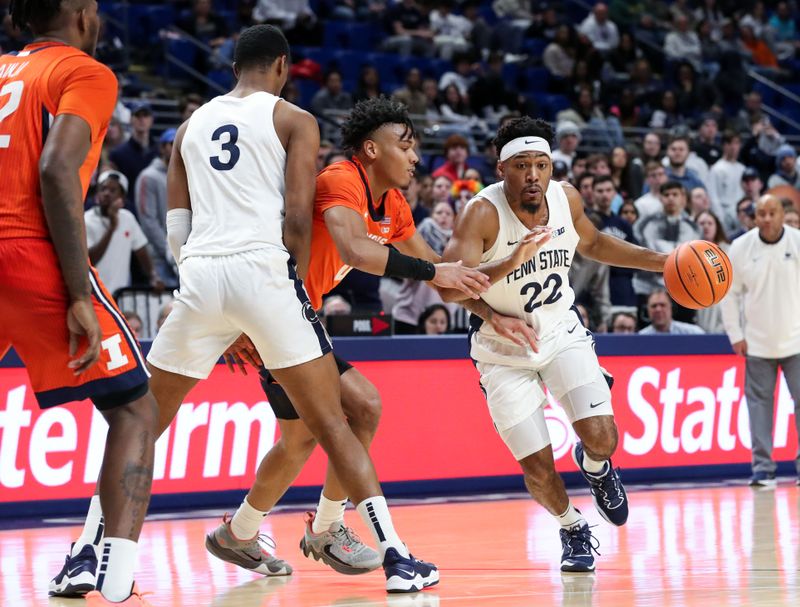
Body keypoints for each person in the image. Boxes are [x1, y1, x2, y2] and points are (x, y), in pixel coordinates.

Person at [441, 117, 668, 572]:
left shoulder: (565, 198)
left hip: (560, 330)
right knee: (538, 467)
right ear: (501, 168)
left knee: (604, 438)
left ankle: (597, 466)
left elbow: (595, 242)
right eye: (522, 165)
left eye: (541, 165)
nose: (533, 176)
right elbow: (449, 289)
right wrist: (512, 260)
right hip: (502, 350)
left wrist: (663, 262)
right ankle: (571, 527)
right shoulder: (481, 213)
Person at [0, 2, 159, 605]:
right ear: (78, 13)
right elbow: (57, 169)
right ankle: (114, 577)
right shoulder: (85, 72)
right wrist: (76, 294)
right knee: (134, 411)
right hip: (31, 252)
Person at [720, 194, 800, 487]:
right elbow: (729, 294)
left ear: (783, 214)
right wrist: (736, 334)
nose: (766, 218)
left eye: (772, 213)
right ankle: (763, 468)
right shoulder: (740, 247)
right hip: (756, 343)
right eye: (761, 213)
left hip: (797, 341)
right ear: (754, 217)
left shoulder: (797, 241)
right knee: (759, 407)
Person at [85, 170, 164, 296]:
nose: (106, 193)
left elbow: (141, 250)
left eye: (113, 190)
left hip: (121, 295)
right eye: (103, 189)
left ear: (122, 197)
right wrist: (112, 227)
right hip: (95, 295)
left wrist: (153, 275)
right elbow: (89, 260)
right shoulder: (86, 219)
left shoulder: (127, 218)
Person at [135, 127, 178, 284]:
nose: (176, 147)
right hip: (159, 259)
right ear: (162, 148)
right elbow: (148, 222)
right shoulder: (148, 177)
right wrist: (171, 252)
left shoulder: (186, 174)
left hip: (182, 256)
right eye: (171, 143)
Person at [638, 290, 705, 334]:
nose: (658, 309)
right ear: (647, 310)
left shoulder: (693, 332)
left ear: (671, 307)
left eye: (662, 305)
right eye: (654, 306)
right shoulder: (641, 337)